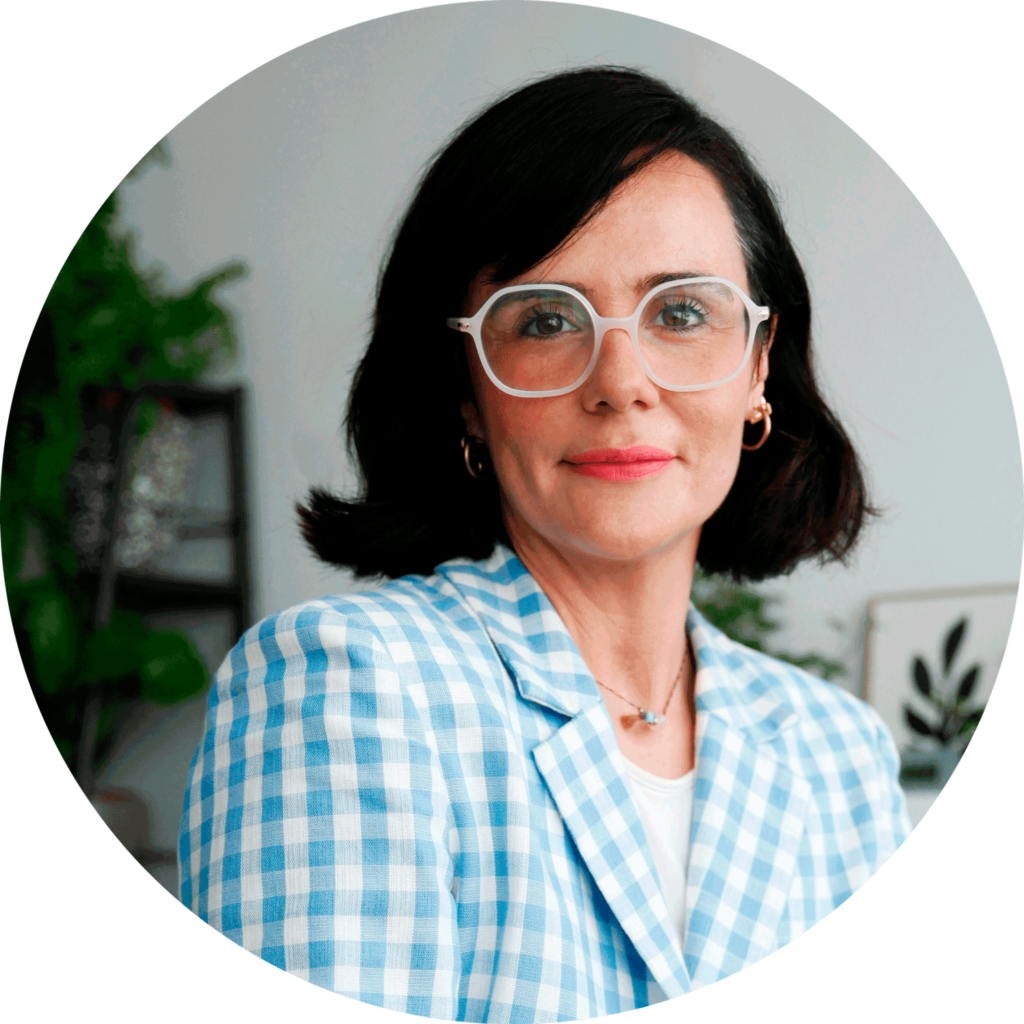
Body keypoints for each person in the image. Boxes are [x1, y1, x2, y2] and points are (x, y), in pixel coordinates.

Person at [179, 66, 910, 1019]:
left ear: (758, 368)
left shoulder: (838, 754)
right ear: (465, 393)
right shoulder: (349, 685)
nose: (621, 382)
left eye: (681, 312)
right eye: (547, 320)